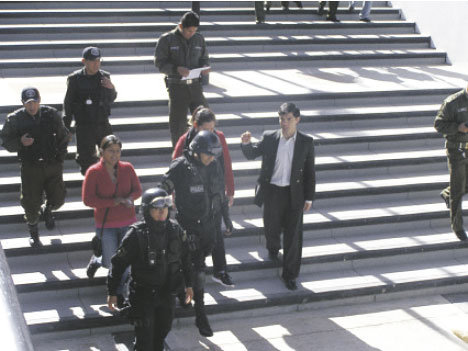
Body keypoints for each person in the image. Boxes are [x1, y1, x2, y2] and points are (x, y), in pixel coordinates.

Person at [107, 187, 193, 351]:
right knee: (145, 341)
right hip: (143, 296)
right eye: (157, 209)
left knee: (161, 334)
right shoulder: (136, 234)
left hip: (167, 293)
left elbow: (186, 259)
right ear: (147, 210)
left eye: (165, 208)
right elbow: (118, 264)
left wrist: (189, 284)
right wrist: (112, 292)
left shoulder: (175, 230)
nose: (162, 213)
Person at [240, 102, 315, 291]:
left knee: (293, 236)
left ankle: (290, 274)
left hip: (294, 194)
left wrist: (309, 197)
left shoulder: (306, 142)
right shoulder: (270, 138)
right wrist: (246, 144)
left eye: (289, 119)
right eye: (282, 119)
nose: (285, 123)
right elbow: (252, 154)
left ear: (297, 120)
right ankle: (273, 248)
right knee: (271, 227)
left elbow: (309, 172)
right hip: (272, 191)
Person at [160, 130, 225, 337]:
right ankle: (200, 314)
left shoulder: (213, 165)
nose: (212, 158)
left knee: (196, 266)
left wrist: (226, 219)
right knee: (197, 270)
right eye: (208, 154)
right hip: (186, 226)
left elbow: (219, 194)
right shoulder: (181, 166)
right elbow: (162, 191)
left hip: (208, 226)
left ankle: (186, 294)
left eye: (214, 154)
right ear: (196, 151)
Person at [172, 106, 235, 287]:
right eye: (206, 129)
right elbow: (174, 168)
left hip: (213, 194)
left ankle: (220, 270)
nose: (210, 133)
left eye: (212, 129)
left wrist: (229, 190)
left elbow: (226, 165)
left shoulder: (219, 137)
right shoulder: (185, 140)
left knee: (216, 231)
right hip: (191, 198)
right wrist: (174, 194)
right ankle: (193, 275)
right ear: (195, 125)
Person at [0, 87, 69, 247]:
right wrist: (20, 143)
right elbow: (5, 140)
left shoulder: (51, 114)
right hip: (31, 167)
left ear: (40, 101)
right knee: (31, 203)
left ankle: (48, 209)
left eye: (34, 102)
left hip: (52, 164)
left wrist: (60, 158)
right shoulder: (15, 119)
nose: (32, 106)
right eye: (28, 103)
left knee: (59, 198)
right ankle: (34, 233)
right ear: (23, 103)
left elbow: (63, 137)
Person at [82, 135, 142, 303]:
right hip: (106, 223)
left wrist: (130, 198)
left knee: (125, 260)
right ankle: (98, 260)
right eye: (110, 151)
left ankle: (119, 292)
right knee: (110, 262)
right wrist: (113, 202)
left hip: (128, 222)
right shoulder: (93, 172)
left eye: (117, 151)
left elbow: (137, 190)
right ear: (101, 152)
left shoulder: (128, 168)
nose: (114, 155)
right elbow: (88, 199)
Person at [154, 11, 210, 147]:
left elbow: (204, 58)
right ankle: (179, 155)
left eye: (194, 31)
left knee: (206, 118)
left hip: (195, 86)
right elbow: (160, 63)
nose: (191, 34)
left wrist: (204, 67)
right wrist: (176, 69)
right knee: (178, 125)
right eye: (189, 31)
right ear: (180, 26)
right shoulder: (167, 39)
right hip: (177, 86)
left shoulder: (198, 39)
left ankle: (204, 148)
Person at [63, 46, 117, 175]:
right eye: (92, 61)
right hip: (84, 125)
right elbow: (68, 104)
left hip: (102, 124)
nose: (96, 64)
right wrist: (66, 127)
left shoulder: (105, 76)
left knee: (110, 156)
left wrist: (111, 88)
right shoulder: (75, 79)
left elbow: (111, 98)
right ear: (84, 61)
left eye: (98, 60)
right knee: (86, 160)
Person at [434, 87, 468, 241]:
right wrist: (458, 128)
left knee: (462, 186)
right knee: (457, 190)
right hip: (456, 151)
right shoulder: (452, 102)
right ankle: (457, 227)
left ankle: (446, 193)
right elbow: (439, 124)